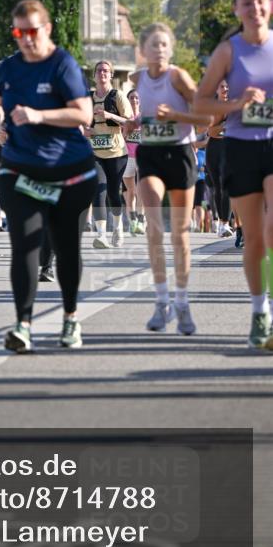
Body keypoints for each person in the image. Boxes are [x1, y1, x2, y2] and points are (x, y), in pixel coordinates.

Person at [0, 0, 95, 351]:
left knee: (65, 248)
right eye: (19, 32)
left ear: (46, 29)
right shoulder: (9, 68)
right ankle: (23, 325)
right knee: (25, 247)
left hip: (69, 173)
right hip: (19, 169)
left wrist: (37, 116)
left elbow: (84, 114)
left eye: (33, 31)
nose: (27, 39)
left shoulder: (62, 65)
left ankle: (70, 318)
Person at [194, 0, 273, 349]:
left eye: (260, 1)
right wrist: (236, 104)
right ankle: (259, 311)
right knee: (254, 237)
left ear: (269, 6)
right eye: (247, 3)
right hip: (240, 147)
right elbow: (201, 103)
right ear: (237, 10)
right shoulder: (228, 51)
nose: (255, 8)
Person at [127, 23, 209, 336]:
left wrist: (176, 117)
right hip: (150, 155)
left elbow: (205, 118)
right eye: (153, 45)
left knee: (181, 233)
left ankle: (182, 301)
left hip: (180, 155)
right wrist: (137, 121)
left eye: (164, 45)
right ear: (143, 51)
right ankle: (161, 301)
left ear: (170, 50)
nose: (159, 50)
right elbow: (144, 114)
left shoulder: (179, 77)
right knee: (154, 227)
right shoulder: (137, 79)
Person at [84, 61, 132, 248]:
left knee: (113, 193)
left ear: (111, 75)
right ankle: (101, 235)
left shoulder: (117, 96)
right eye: (99, 71)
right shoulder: (87, 98)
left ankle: (118, 229)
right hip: (95, 153)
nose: (102, 73)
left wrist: (110, 116)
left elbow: (129, 122)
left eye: (106, 71)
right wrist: (84, 130)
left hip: (117, 153)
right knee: (99, 190)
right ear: (94, 75)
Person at [205, 80, 234, 239]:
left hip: (229, 148)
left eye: (227, 86)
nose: (225, 89)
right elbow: (211, 132)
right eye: (222, 86)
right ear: (216, 89)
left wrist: (221, 126)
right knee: (217, 187)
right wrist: (226, 125)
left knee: (226, 184)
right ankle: (221, 224)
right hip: (213, 149)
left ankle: (225, 222)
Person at [123, 87, 145, 235]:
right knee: (131, 191)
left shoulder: (144, 117)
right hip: (126, 157)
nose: (134, 100)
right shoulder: (123, 117)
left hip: (142, 157)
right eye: (131, 98)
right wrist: (126, 132)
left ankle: (141, 220)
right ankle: (132, 221)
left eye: (137, 98)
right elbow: (120, 137)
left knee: (141, 190)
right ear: (127, 100)